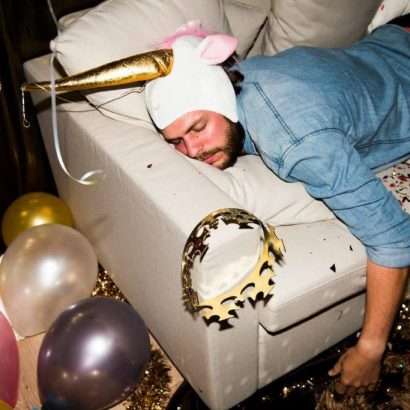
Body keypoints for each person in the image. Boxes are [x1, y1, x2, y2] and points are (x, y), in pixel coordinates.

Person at [144, 24, 410, 391]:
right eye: (176, 141)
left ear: (220, 96)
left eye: (198, 128)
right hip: (388, 41)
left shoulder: (295, 142)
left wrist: (370, 350)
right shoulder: (243, 76)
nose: (193, 151)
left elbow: (393, 239)